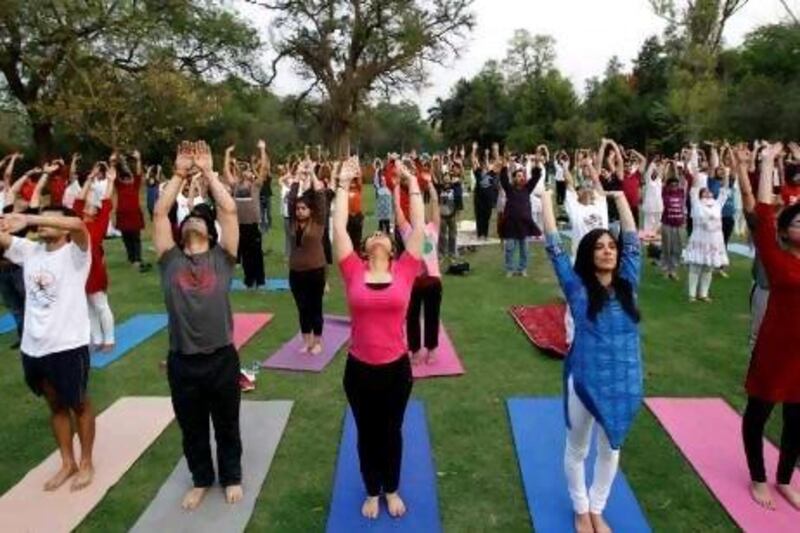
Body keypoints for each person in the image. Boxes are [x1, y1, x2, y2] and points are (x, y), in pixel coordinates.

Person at [541, 185, 642, 533]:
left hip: (624, 380)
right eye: (599, 247)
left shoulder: (629, 282)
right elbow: (553, 245)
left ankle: (598, 508)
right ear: (588, 253)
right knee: (578, 447)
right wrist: (546, 202)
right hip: (583, 380)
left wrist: (618, 199)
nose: (607, 251)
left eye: (611, 247)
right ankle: (581, 509)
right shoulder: (576, 286)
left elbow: (632, 239)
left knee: (610, 449)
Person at [152, 140, 243, 511]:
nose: (191, 220)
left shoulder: (223, 259)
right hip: (183, 360)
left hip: (221, 357)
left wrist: (208, 172)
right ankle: (202, 478)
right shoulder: (169, 260)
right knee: (192, 427)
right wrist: (177, 175)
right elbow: (159, 215)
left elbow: (230, 209)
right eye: (187, 219)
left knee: (226, 423)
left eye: (198, 220)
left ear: (209, 231)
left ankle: (232, 476)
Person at [333, 155, 423, 520]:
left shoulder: (406, 269)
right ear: (367, 246)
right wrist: (343, 182)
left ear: (391, 246)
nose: (380, 237)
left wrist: (410, 182)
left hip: (396, 369)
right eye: (374, 236)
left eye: (384, 235)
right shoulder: (352, 269)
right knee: (366, 433)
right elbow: (339, 229)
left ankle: (393, 487)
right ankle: (372, 489)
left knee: (392, 431)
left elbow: (417, 225)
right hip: (359, 370)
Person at [0, 203, 95, 492]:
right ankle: (68, 463)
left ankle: (87, 462)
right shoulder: (30, 251)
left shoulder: (76, 254)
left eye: (50, 219)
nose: (42, 224)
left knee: (78, 404)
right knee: (55, 406)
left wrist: (29, 217)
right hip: (34, 347)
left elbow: (79, 225)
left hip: (68, 345)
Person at [396, 175, 441, 365]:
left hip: (432, 281)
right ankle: (414, 350)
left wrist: (430, 185)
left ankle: (431, 350)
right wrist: (397, 188)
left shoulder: (432, 229)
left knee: (432, 316)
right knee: (412, 317)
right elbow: (398, 210)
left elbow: (436, 208)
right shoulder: (407, 231)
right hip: (412, 282)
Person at [287, 159, 328, 355]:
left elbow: (320, 196)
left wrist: (312, 173)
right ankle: (307, 341)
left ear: (310, 210)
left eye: (303, 208)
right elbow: (291, 198)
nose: (300, 211)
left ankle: (318, 341)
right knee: (302, 307)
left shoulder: (318, 221)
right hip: (296, 272)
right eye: (298, 209)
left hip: (315, 271)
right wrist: (297, 175)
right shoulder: (293, 223)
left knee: (315, 306)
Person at [73, 165, 116, 351]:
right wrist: (89, 180)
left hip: (94, 269)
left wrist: (111, 181)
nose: (88, 205)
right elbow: (78, 200)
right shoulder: (77, 222)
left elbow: (106, 203)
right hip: (77, 268)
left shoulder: (99, 224)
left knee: (100, 305)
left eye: (92, 206)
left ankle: (109, 340)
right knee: (88, 308)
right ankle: (97, 339)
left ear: (96, 212)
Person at [682, 154, 729, 303]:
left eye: (709, 191)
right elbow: (695, 187)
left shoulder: (717, 204)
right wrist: (695, 168)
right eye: (705, 192)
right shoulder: (696, 203)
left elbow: (725, 189)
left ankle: (703, 294)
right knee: (696, 267)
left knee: (708, 268)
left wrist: (726, 174)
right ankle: (691, 294)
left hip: (714, 241)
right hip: (699, 239)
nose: (708, 192)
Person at [224, 141, 268, 289]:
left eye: (248, 170)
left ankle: (259, 280)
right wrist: (227, 154)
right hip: (239, 225)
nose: (246, 172)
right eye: (244, 170)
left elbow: (263, 171)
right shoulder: (235, 186)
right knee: (245, 255)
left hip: (253, 225)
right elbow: (226, 172)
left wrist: (262, 149)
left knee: (256, 254)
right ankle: (249, 280)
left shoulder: (255, 186)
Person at [499, 160, 541, 277]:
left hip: (524, 224)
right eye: (518, 176)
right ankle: (510, 269)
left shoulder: (527, 189)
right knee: (510, 249)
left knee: (524, 249)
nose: (521, 178)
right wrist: (504, 166)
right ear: (514, 179)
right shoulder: (509, 189)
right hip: (511, 224)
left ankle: (522, 269)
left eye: (522, 176)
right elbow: (503, 179)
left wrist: (536, 164)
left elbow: (536, 177)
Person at [113, 150, 149, 272]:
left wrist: (138, 159)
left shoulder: (135, 185)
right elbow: (114, 173)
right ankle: (131, 258)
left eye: (130, 178)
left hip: (134, 215)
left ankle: (137, 259)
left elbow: (138, 174)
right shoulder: (119, 185)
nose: (129, 180)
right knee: (126, 238)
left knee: (135, 238)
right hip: (123, 215)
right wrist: (113, 161)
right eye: (127, 178)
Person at [660, 162, 687, 280]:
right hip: (667, 224)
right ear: (669, 186)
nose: (675, 186)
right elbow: (666, 179)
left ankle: (674, 270)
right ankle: (666, 269)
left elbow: (680, 180)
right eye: (672, 185)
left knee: (678, 248)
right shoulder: (666, 193)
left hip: (679, 225)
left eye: (676, 185)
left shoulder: (680, 193)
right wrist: (668, 167)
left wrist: (675, 167)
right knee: (667, 247)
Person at [471, 142, 498, 240]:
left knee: (487, 216)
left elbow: (497, 163)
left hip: (488, 199)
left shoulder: (491, 174)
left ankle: (485, 235)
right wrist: (474, 149)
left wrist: (495, 150)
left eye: (486, 165)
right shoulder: (478, 173)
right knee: (479, 216)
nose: (485, 167)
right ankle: (479, 234)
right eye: (483, 165)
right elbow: (473, 161)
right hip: (478, 198)